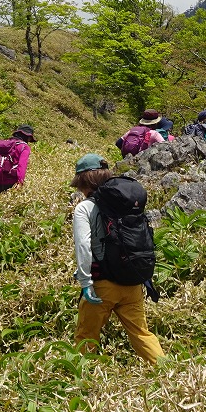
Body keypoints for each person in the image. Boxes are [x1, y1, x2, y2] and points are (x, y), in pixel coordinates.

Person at [70, 154, 163, 364]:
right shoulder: (125, 204)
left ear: (82, 181)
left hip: (102, 285)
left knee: (86, 336)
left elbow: (83, 246)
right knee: (142, 333)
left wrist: (85, 282)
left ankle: (84, 376)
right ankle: (166, 371)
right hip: (132, 282)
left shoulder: (84, 208)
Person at [0, 125, 36, 197]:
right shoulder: (24, 147)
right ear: (28, 137)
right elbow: (22, 166)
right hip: (10, 182)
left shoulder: (5, 144)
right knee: (6, 203)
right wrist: (20, 182)